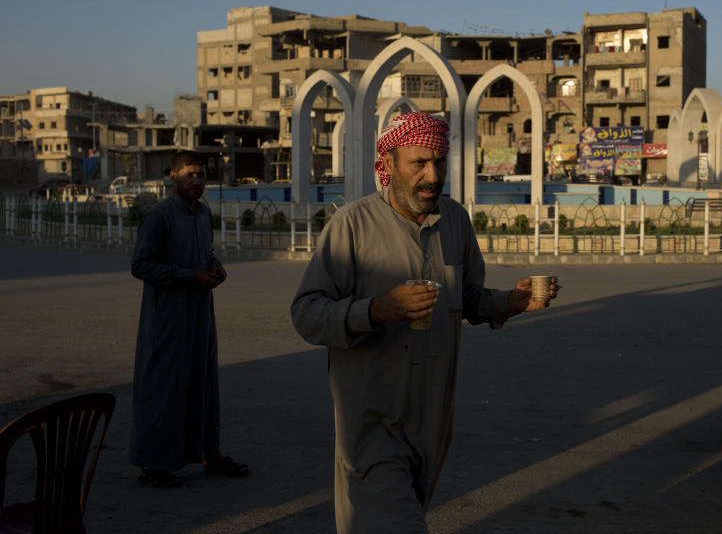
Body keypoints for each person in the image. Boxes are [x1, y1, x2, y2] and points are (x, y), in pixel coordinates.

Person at [291, 112, 560, 533]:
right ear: (391, 163)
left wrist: (510, 301)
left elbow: (469, 298)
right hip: (372, 424)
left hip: (433, 423)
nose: (432, 175)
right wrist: (375, 309)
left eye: (439, 163)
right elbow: (307, 314)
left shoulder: (454, 222)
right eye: (418, 163)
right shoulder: (353, 226)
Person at [130, 150, 249, 487]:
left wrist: (214, 266)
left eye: (200, 175)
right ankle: (152, 464)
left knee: (204, 383)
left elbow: (204, 253)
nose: (196, 181)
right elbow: (141, 266)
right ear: (174, 177)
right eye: (189, 175)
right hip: (166, 318)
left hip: (200, 315)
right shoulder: (160, 217)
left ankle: (210, 453)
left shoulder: (203, 214)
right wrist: (189, 276)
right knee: (164, 387)